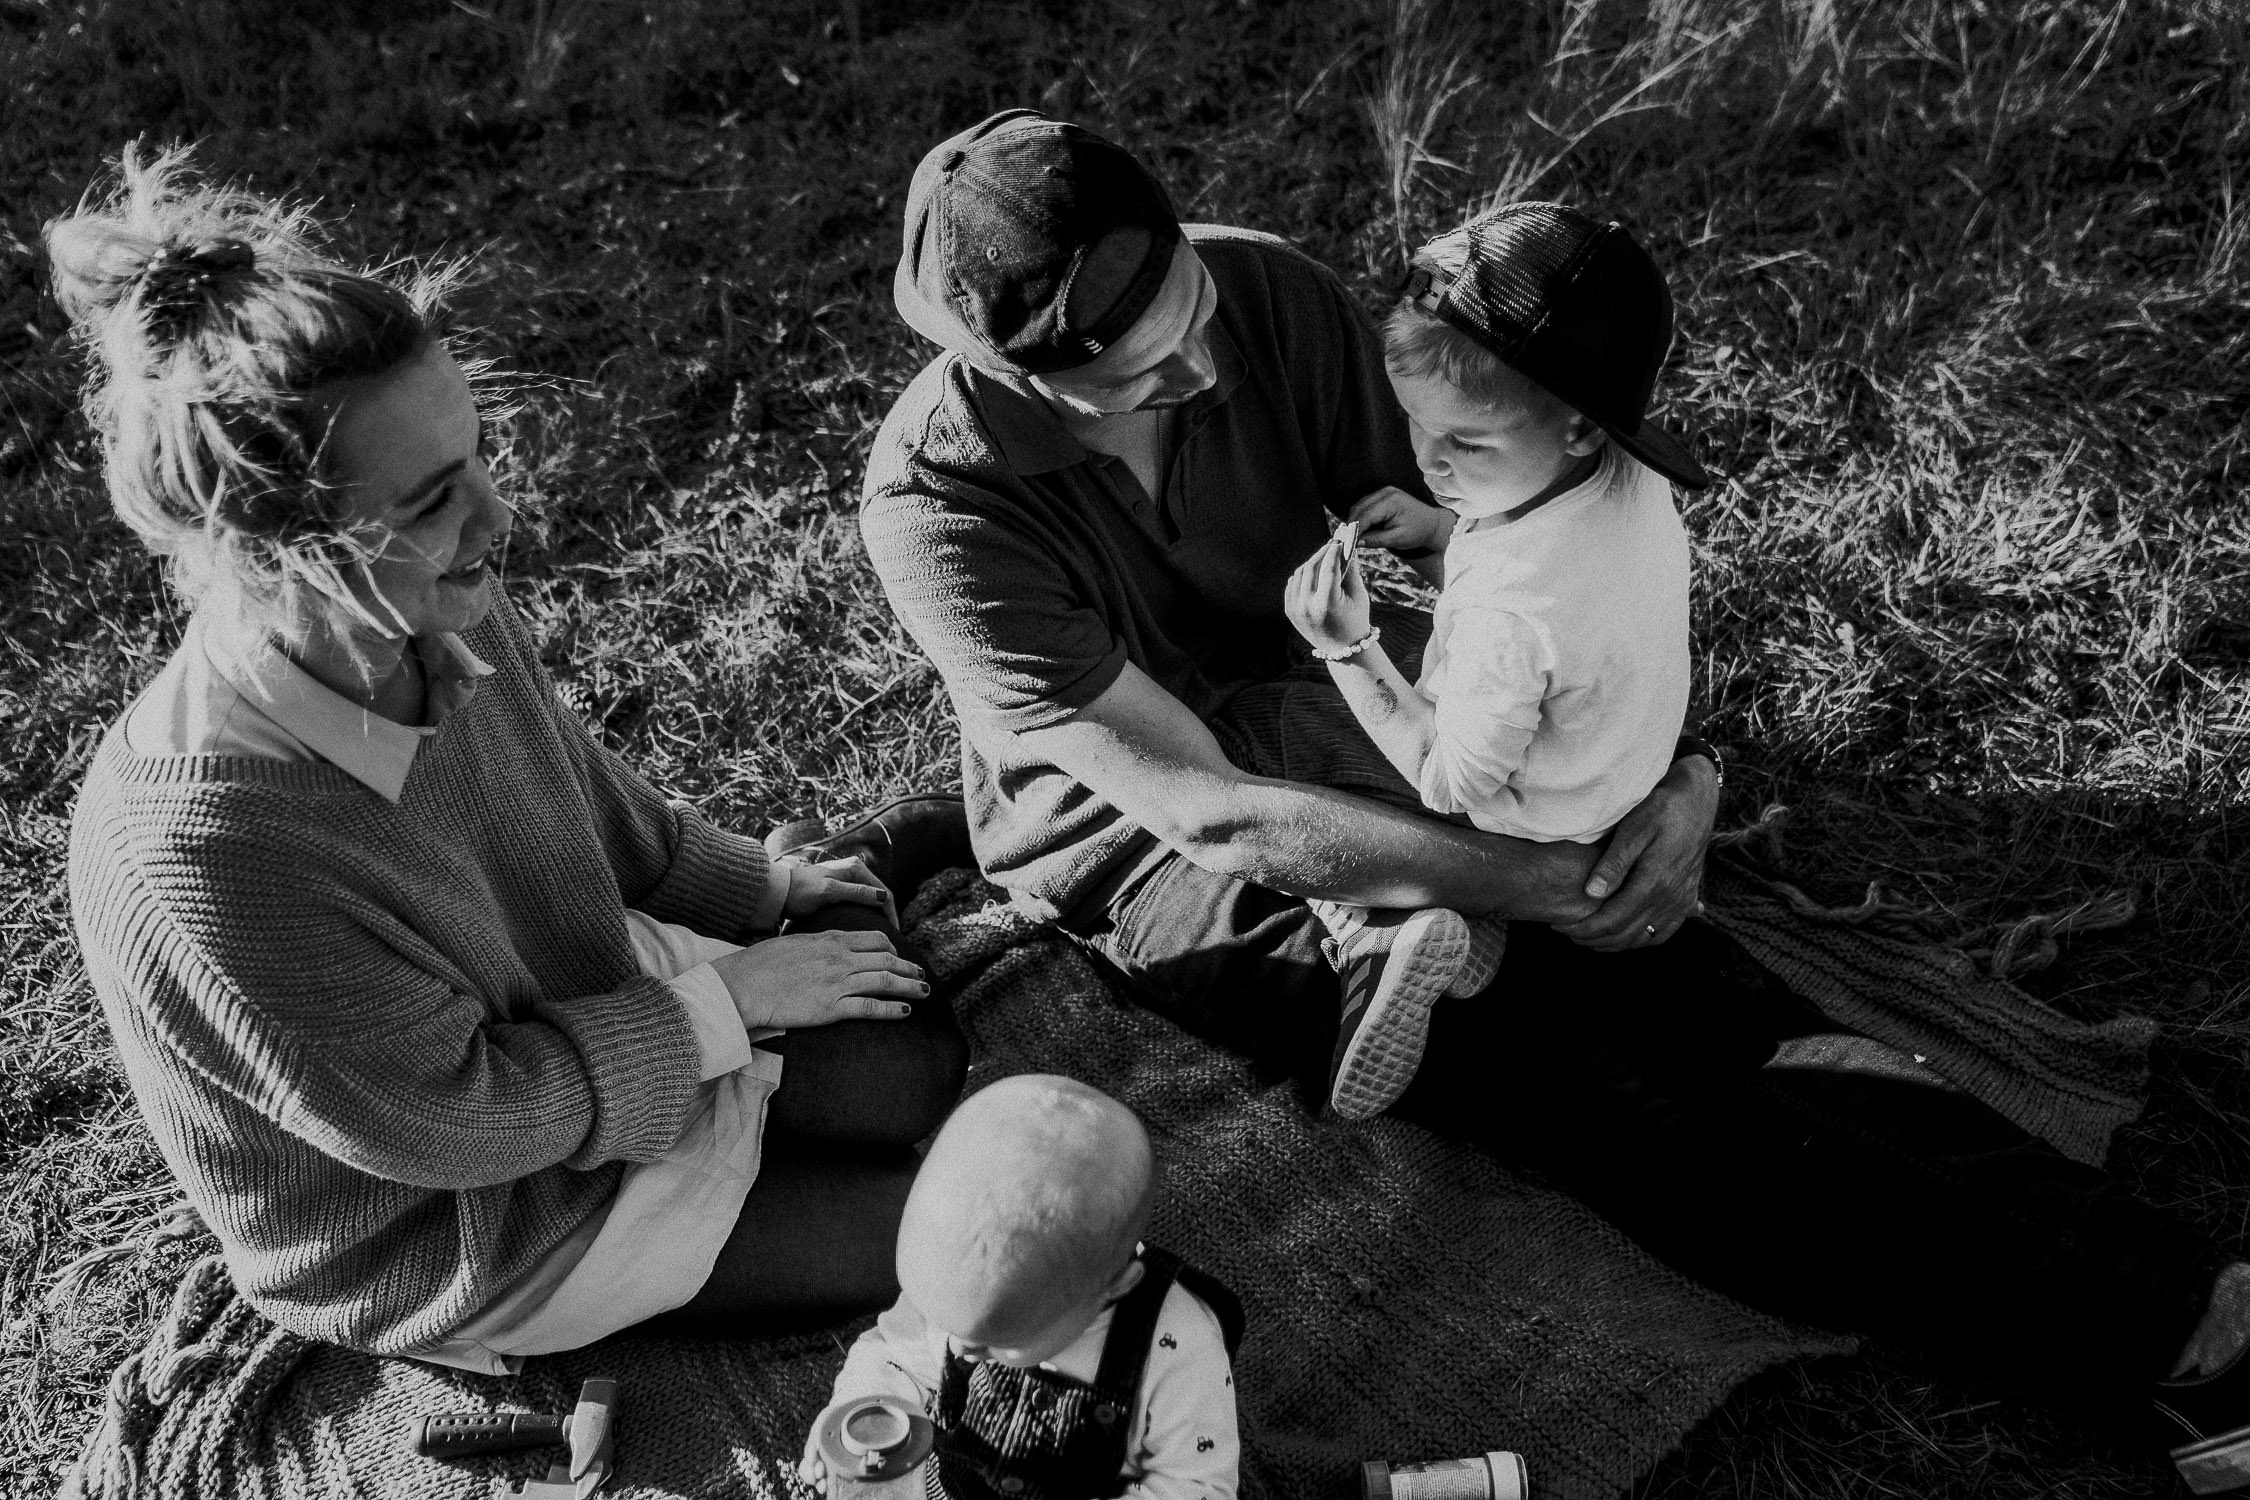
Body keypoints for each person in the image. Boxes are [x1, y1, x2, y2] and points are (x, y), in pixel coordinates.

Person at [858, 109, 2250, 1491]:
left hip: (1367, 726)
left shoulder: (1263, 289)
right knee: (1606, 1097)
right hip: (1170, 846)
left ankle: (2185, 1317)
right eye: (1145, 372)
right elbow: (1215, 812)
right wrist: (1553, 878)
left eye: (1195, 313)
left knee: (1728, 1013)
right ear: (1016, 378)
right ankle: (2175, 1341)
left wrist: (1673, 780)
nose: (1202, 361)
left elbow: (1527, 557)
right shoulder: (936, 507)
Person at [53, 146, 970, 1371]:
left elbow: (577, 802)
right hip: (460, 1220)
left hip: (584, 1022)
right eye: (434, 500)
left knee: (925, 1072)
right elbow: (453, 1119)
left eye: (479, 455)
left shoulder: (431, 603)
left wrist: (756, 894)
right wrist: (731, 1002)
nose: (498, 517)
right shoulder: (210, 848)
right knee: (947, 1242)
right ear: (275, 545)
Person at [1279, 201, 1701, 1120]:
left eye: (1466, 444)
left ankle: (1379, 926)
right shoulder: (1625, 476)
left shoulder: (1512, 612)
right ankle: (1474, 941)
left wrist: (1347, 647)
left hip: (1527, 820)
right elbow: (1558, 574)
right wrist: (1444, 529)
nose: (1427, 461)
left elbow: (1449, 780)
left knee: (1280, 731)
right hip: (1612, 769)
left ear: (1584, 427)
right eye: (1414, 424)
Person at [803, 1074, 1242, 1500]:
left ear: (1114, 1287)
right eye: (936, 1318)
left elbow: (1197, 1487)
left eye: (998, 1342)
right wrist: (862, 1418)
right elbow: (892, 1355)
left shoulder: (1179, 1348)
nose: (960, 1348)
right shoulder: (957, 1287)